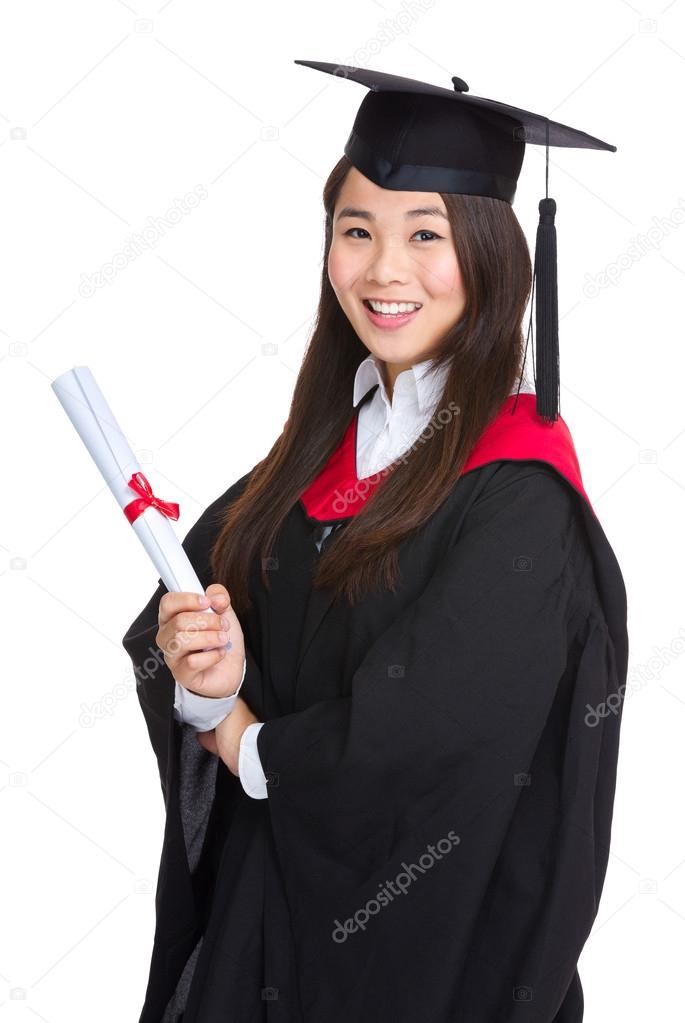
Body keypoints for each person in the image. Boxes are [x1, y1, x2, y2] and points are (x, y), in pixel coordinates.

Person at [122, 60, 628, 1023]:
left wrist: (240, 737)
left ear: (491, 256)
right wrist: (200, 670)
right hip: (259, 934)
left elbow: (432, 745)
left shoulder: (519, 493)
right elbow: (197, 616)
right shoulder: (314, 455)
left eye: (424, 235)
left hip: (426, 972)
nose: (383, 270)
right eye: (355, 231)